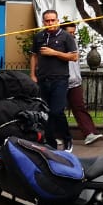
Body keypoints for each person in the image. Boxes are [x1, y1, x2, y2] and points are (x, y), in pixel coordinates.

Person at [29, 9, 78, 150]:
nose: (50, 23)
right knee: (45, 113)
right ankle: (51, 143)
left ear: (57, 21)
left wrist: (54, 52)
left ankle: (67, 139)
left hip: (60, 79)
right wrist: (32, 75)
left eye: (52, 20)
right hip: (43, 79)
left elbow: (74, 57)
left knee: (57, 111)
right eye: (47, 21)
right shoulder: (39, 36)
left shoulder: (65, 36)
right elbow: (33, 56)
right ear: (43, 22)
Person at [62, 21, 103, 145]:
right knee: (56, 110)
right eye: (70, 33)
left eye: (74, 33)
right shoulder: (57, 44)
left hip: (75, 81)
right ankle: (58, 135)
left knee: (79, 107)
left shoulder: (73, 42)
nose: (72, 35)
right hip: (60, 81)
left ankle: (89, 133)